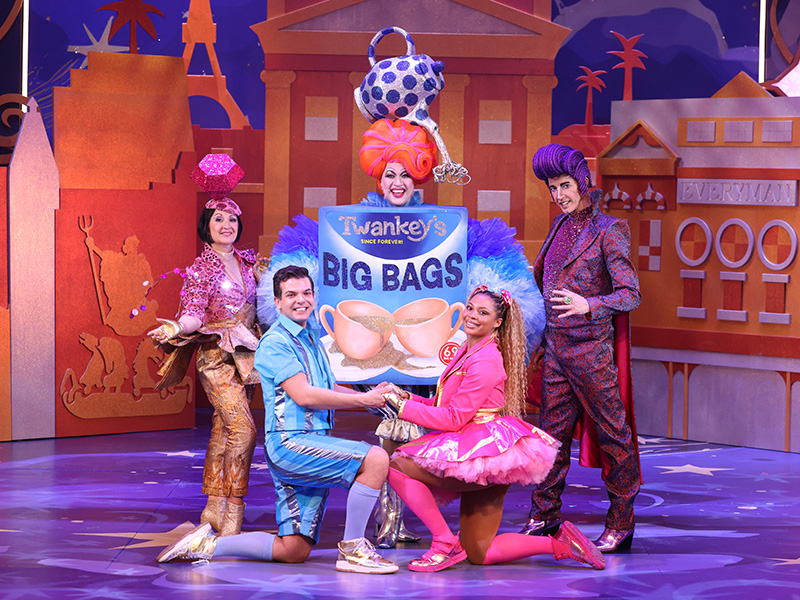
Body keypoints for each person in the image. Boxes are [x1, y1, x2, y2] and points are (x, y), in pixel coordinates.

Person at [157, 266, 400, 574]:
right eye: (291, 295)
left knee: (293, 549)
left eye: (306, 293)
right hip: (291, 444)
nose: (301, 300)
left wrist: (373, 400)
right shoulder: (276, 342)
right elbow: (305, 395)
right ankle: (353, 549)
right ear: (277, 302)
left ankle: (205, 545)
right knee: (376, 460)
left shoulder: (312, 339)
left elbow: (326, 388)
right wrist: (364, 400)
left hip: (313, 443)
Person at [384, 286, 606, 572]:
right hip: (484, 450)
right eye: (470, 308)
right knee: (480, 552)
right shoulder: (468, 350)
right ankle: (561, 544)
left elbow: (454, 419)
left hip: (482, 449)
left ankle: (444, 542)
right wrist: (406, 398)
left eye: (483, 312)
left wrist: (401, 408)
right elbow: (444, 404)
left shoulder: (485, 359)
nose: (472, 315)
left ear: (498, 322)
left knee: (397, 466)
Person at [520, 143, 641, 553]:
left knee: (613, 435)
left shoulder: (610, 229)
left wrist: (589, 304)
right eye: (553, 188)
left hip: (591, 353)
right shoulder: (558, 225)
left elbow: (630, 294)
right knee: (549, 438)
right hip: (556, 350)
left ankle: (621, 521)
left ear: (583, 182)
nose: (559, 195)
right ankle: (544, 514)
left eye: (565, 185)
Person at [149, 193, 261, 537]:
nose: (227, 225)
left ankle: (214, 505)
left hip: (248, 357)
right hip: (215, 358)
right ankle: (234, 512)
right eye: (218, 219)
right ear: (206, 226)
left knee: (224, 429)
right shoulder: (201, 269)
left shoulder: (249, 263)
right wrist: (175, 328)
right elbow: (193, 315)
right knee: (244, 430)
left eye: (232, 219)